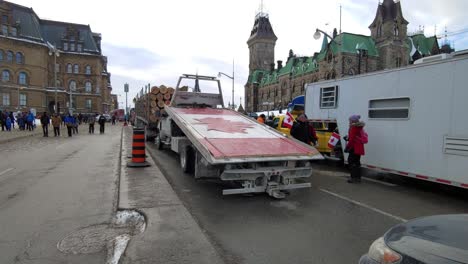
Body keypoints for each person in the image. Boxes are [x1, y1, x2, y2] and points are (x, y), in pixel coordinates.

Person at [344, 114, 368, 183]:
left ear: (353, 120)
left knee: (351, 162)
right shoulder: (360, 127)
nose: (349, 121)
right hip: (359, 147)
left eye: (350, 120)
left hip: (354, 148)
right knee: (357, 163)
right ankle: (358, 178)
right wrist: (348, 138)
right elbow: (355, 137)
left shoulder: (353, 127)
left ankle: (353, 178)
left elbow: (351, 139)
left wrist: (347, 147)